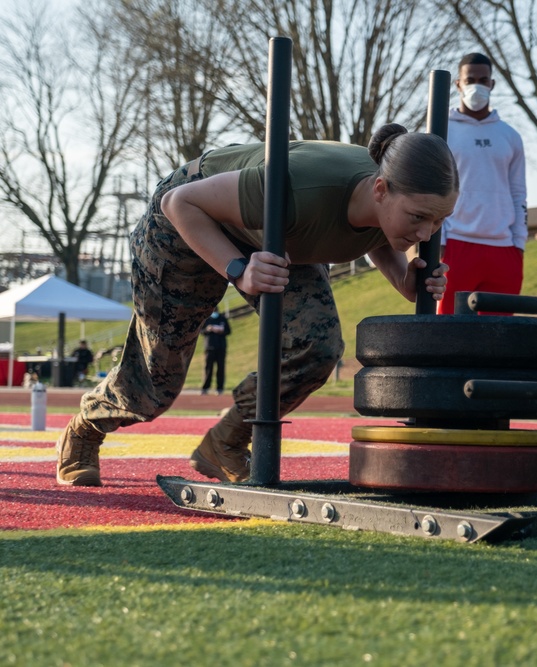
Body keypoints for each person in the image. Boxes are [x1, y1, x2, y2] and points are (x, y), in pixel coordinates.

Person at [55, 123, 458, 487]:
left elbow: (372, 233)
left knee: (316, 347)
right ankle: (85, 428)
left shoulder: (387, 200)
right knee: (157, 381)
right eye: (418, 217)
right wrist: (238, 269)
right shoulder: (301, 187)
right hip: (187, 221)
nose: (427, 232)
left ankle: (226, 443)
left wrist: (404, 279)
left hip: (275, 233)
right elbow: (179, 204)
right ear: (381, 189)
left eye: (439, 221)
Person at [438, 52, 527, 315]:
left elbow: (518, 191)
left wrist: (519, 243)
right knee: (448, 332)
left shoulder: (509, 136)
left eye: (483, 79)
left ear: (492, 84)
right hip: (456, 242)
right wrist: (439, 239)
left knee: (498, 335)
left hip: (504, 247)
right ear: (458, 84)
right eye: (470, 79)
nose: (476, 85)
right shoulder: (441, 129)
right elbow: (432, 188)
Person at [200, 309, 231, 395]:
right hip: (209, 347)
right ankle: (205, 388)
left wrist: (221, 331)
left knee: (221, 368)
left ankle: (220, 388)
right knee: (208, 368)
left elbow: (228, 331)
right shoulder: (207, 319)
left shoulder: (222, 318)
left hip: (221, 347)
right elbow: (201, 331)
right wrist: (208, 329)